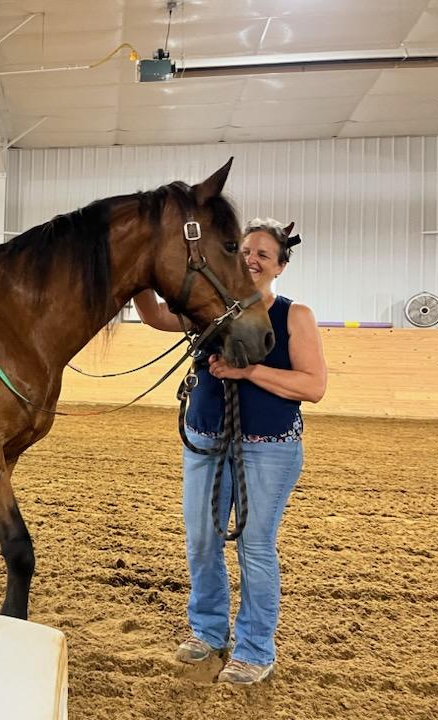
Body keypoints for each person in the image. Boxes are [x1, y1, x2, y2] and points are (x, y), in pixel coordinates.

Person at [133, 218, 327, 685]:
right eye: (244, 251)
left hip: (268, 450)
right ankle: (208, 630)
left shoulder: (293, 315)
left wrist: (248, 373)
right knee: (201, 541)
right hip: (205, 441)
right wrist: (139, 276)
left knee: (255, 548)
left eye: (263, 254)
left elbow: (314, 386)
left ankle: (255, 649)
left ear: (280, 265)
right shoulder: (208, 307)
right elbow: (156, 316)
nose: (252, 259)